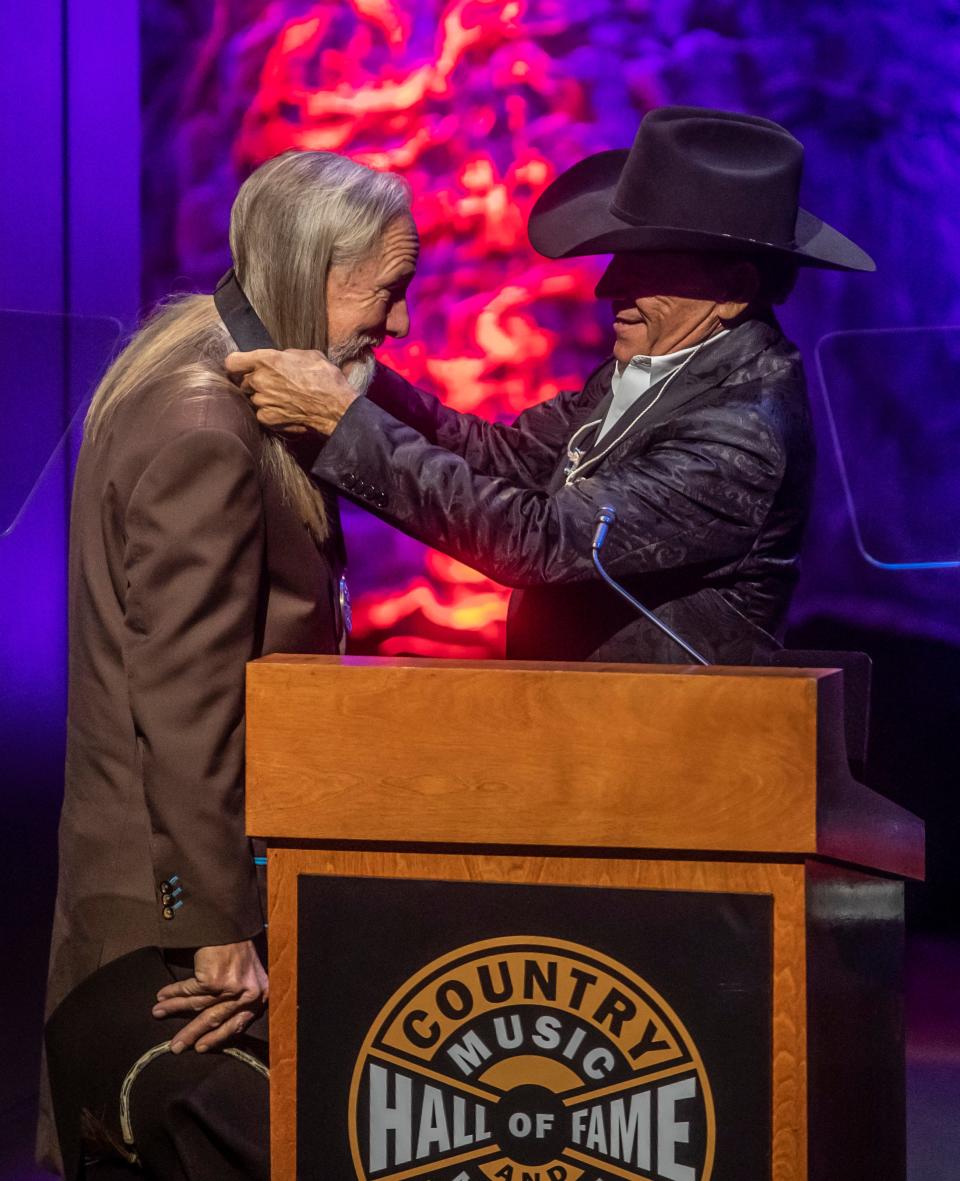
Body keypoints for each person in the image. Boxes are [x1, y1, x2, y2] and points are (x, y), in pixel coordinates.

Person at [41, 151, 414, 1179]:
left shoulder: (206, 363)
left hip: (199, 889)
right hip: (174, 926)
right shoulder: (207, 425)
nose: (400, 319)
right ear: (317, 272)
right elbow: (186, 706)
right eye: (389, 290)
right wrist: (211, 927)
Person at [228, 106, 875, 666]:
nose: (606, 286)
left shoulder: (742, 434)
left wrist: (341, 421)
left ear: (732, 290)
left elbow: (537, 540)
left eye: (646, 264)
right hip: (595, 736)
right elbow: (508, 459)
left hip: (673, 763)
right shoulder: (667, 365)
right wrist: (354, 379)